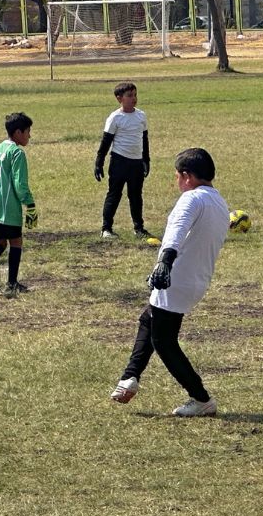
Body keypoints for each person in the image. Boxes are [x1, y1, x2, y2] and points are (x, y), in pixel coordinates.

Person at [110, 147, 230, 417]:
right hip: (195, 280)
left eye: (176, 176)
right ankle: (130, 377)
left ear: (187, 176)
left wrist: (165, 260)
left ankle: (201, 399)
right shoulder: (219, 201)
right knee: (148, 320)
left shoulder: (191, 199)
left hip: (175, 278)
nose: (176, 181)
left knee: (164, 341)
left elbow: (176, 231)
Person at [0, 112, 37, 298]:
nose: (29, 135)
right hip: (8, 204)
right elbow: (19, 183)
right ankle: (11, 284)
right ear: (18, 132)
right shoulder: (17, 152)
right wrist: (29, 204)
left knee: (0, 241)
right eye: (28, 131)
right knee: (16, 241)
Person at [96, 82, 153, 240]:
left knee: (136, 196)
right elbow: (106, 142)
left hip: (136, 162)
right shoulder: (115, 118)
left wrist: (146, 160)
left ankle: (139, 228)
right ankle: (106, 228)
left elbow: (144, 139)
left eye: (135, 95)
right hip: (119, 162)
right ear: (119, 98)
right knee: (114, 194)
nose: (133, 98)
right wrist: (99, 163)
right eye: (129, 96)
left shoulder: (141, 116)